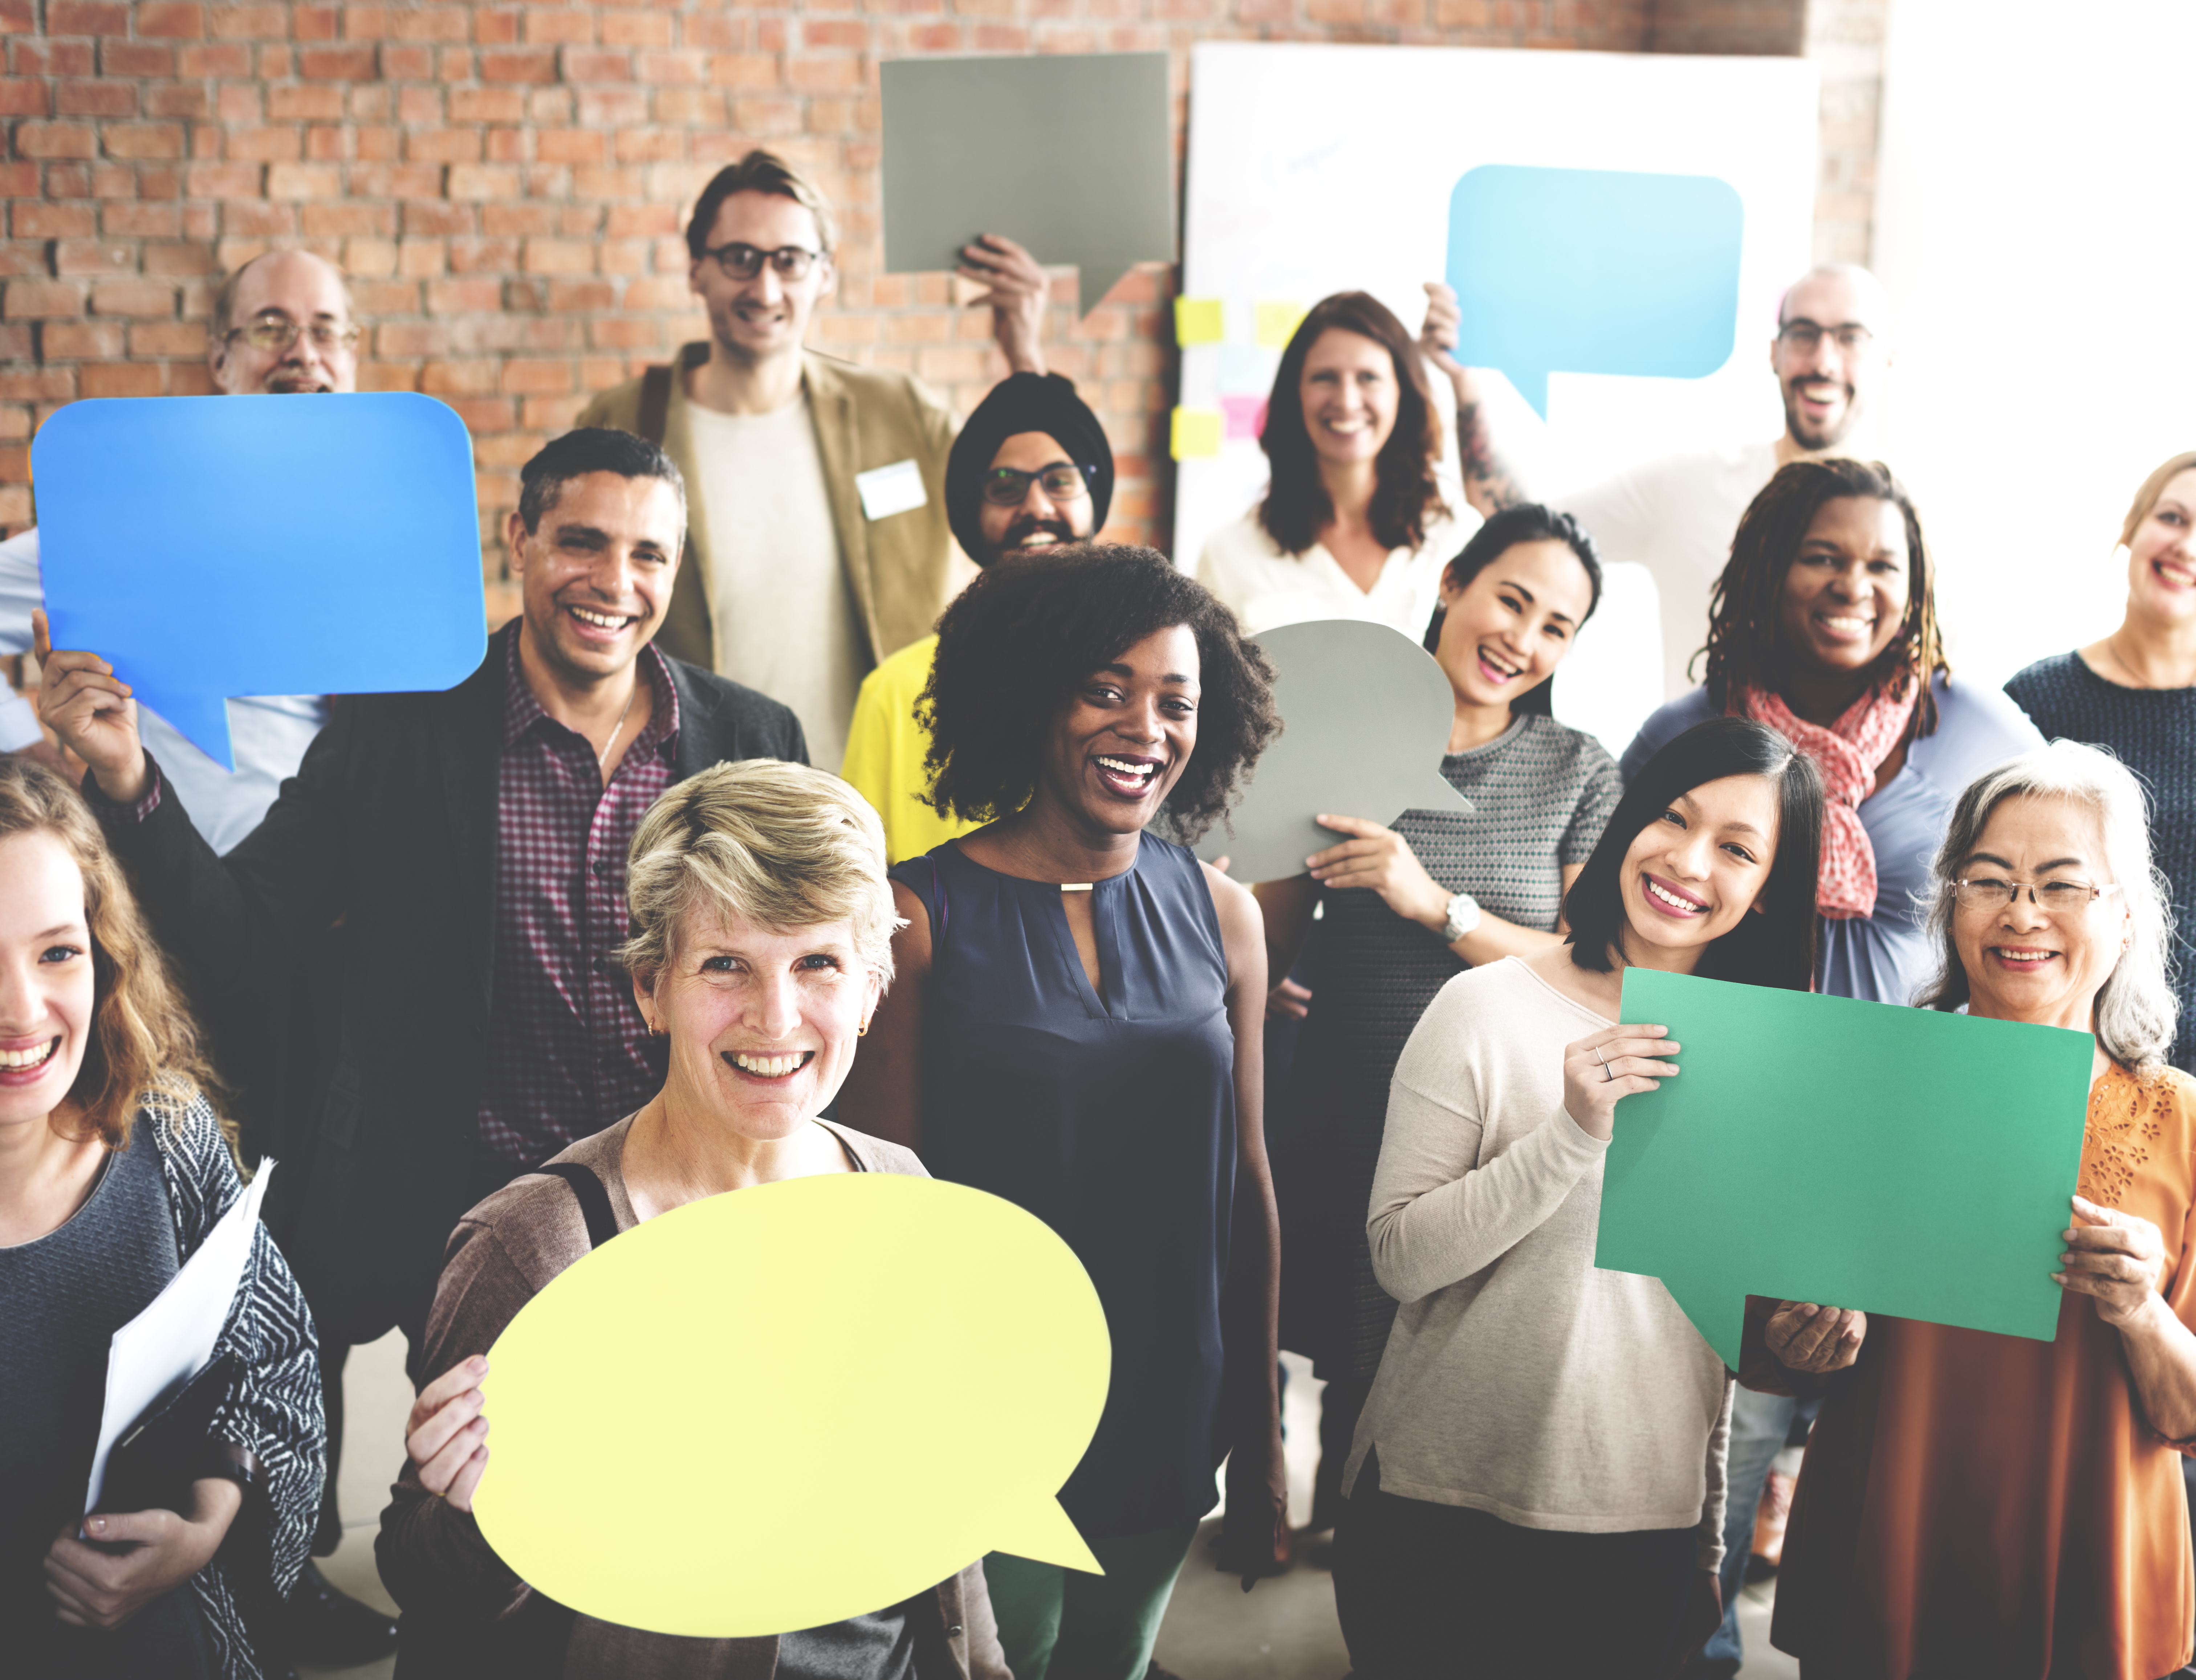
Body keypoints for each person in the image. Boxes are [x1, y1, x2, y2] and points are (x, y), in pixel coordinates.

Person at [31, 427, 806, 1391]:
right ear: (517, 539)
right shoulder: (400, 730)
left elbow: (801, 961)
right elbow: (245, 937)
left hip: (689, 1195)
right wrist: (125, 772)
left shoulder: (754, 735)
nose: (614, 580)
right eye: (582, 542)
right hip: (473, 1215)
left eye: (646, 553)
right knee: (484, 1502)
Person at [378, 759, 1010, 1677]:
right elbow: (426, 1583)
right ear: (651, 989)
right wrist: (481, 1517)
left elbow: (947, 1516)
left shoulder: (900, 1195)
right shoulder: (535, 1248)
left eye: (819, 963)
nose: (776, 1016)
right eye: (726, 965)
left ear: (872, 989)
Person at [835, 546, 1286, 1680]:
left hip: (1169, 1391)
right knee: (1002, 1662)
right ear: (1035, 693)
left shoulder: (1226, 915)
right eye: (1106, 688)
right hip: (991, 1397)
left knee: (1115, 1663)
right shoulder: (917, 914)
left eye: (1175, 701)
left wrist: (1266, 1435)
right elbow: (889, 1210)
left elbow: (1249, 1182)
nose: (1145, 726)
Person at [1622, 456, 2040, 1672]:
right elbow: (1619, 923)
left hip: (1909, 1139)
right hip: (1728, 1127)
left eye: (1880, 565)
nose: (1851, 583)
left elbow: (2040, 920)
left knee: (1880, 1457)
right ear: (1767, 565)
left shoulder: (1975, 730)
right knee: (1714, 1446)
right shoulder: (1689, 730)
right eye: (1822, 554)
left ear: (1912, 591)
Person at [1332, 717, 1826, 1679]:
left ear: (1769, 893)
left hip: (1641, 1514)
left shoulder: (1771, 1068)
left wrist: (1809, 1333)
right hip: (1439, 1497)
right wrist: (1568, 1135)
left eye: (1736, 848)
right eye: (1671, 818)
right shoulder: (1487, 1006)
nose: (1687, 860)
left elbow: (1729, 1326)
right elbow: (1399, 1259)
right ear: (1628, 822)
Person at [1746, 741, 2196, 1678]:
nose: (2022, 913)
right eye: (1989, 880)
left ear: (2125, 916)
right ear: (1949, 905)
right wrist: (1799, 1335)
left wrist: (2143, 1310)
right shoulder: (1865, 1081)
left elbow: (2186, 1409)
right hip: (1890, 1540)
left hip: (2092, 1557)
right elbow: (1768, 1344)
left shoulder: (2182, 1117)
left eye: (2062, 885)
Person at [1252, 503, 1620, 1530]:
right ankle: (1329, 1508)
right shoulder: (1344, 735)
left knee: (1461, 1353)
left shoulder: (1580, 768)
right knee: (1341, 1337)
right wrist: (1264, 978)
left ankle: (1415, 1549)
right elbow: (1263, 917)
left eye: (1557, 625)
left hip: (1503, 1109)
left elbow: (1592, 962)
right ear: (1454, 580)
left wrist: (1436, 904)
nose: (1524, 638)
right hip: (1348, 1085)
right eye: (1512, 599)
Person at [0, 756, 322, 1679]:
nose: (22, 1010)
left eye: (58, 951)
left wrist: (206, 1526)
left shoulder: (169, 1133)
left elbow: (274, 1370)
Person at [575, 148, 1052, 768]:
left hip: (882, 782)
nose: (765, 286)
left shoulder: (898, 412)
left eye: (791, 261)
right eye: (739, 258)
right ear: (697, 270)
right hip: (699, 791)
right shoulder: (625, 421)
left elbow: (1039, 507)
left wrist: (1024, 352)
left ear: (824, 274)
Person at [1, 249, 361, 852]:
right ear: (220, 358)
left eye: (326, 330)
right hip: (196, 904)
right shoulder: (143, 528)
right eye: (272, 328)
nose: (303, 352)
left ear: (351, 357)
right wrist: (39, 764)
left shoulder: (390, 531)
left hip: (367, 910)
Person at [1424, 263, 1898, 699]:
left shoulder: (1916, 529)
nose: (1824, 362)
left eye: (1851, 338)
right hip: (1691, 782)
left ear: (1887, 360)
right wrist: (1468, 385)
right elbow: (1517, 526)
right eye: (1803, 334)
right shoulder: (1690, 484)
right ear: (1774, 353)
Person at [840, 371, 1114, 863]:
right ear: (974, 514)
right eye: (1005, 487)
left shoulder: (1144, 681)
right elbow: (853, 883)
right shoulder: (895, 690)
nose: (1037, 506)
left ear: (1094, 499)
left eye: (1061, 482)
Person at [2006, 450, 2196, 1072]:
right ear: (2132, 527)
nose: (2186, 545)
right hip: (2074, 1056)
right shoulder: (2035, 703)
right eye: (2172, 517)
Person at [1197, 290, 1465, 639]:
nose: (1347, 401)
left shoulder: (1456, 537)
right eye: (1325, 378)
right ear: (1296, 395)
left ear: (1402, 392)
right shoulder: (1229, 554)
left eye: (1369, 378)